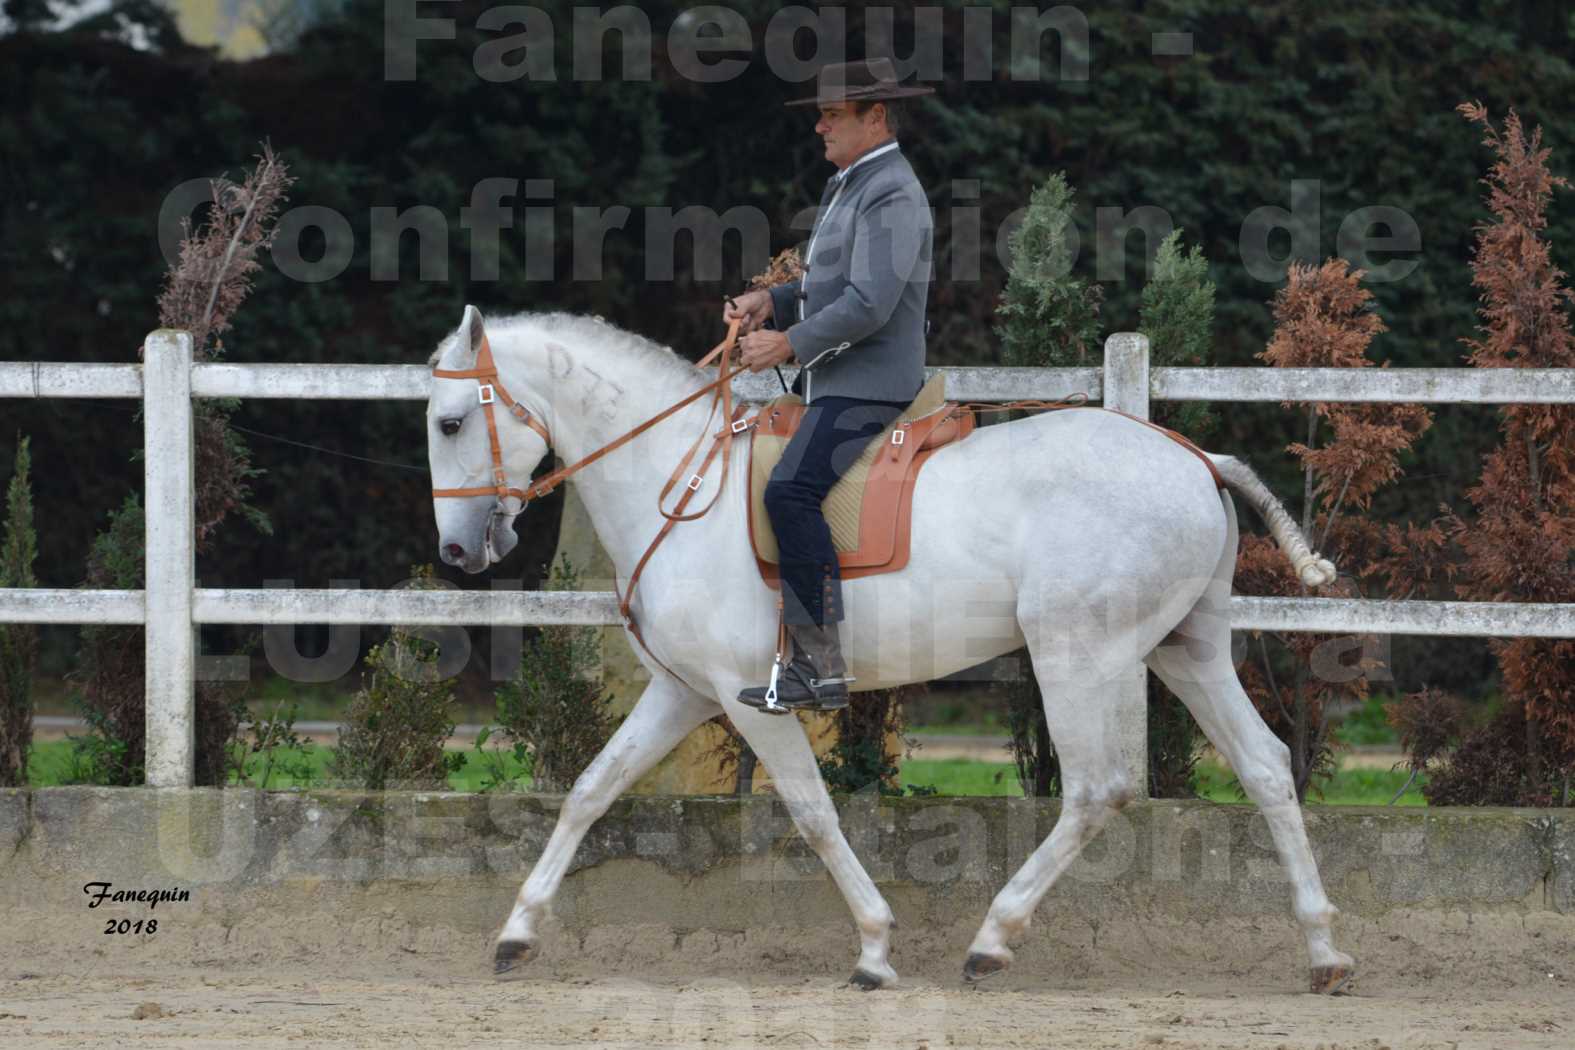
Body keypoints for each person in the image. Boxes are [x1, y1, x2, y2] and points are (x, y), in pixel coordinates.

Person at [726, 58, 935, 713]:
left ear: (875, 117)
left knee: (790, 491)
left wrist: (787, 343)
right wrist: (774, 301)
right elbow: (831, 284)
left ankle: (817, 667)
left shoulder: (892, 190)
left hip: (870, 383)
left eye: (832, 114)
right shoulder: (853, 183)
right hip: (837, 379)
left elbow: (871, 302)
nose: (819, 126)